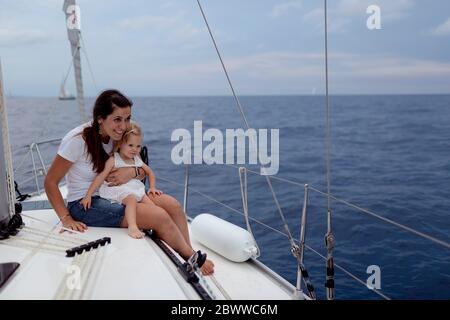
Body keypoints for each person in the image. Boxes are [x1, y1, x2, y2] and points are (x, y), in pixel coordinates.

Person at [44, 89, 214, 275]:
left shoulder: (119, 136)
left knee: (173, 206)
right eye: (117, 119)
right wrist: (66, 218)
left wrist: (130, 172)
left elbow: (141, 170)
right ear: (100, 118)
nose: (123, 126)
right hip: (85, 203)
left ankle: (186, 252)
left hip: (117, 191)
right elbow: (50, 182)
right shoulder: (77, 141)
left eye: (127, 119)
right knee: (159, 216)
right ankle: (193, 257)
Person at [81, 122, 160, 239]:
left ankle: (151, 227)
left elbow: (150, 172)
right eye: (130, 145)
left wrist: (153, 187)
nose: (134, 149)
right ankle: (132, 227)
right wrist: (88, 195)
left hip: (134, 189)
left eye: (138, 146)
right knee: (131, 200)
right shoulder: (114, 159)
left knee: (154, 208)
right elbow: (100, 177)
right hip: (116, 189)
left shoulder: (137, 159)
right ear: (121, 144)